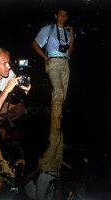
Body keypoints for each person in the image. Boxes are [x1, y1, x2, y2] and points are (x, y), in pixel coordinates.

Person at [32, 7, 74, 136]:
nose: (63, 17)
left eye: (65, 15)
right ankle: (55, 125)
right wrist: (45, 57)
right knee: (59, 92)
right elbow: (35, 44)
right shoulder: (48, 29)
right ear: (56, 16)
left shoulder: (67, 33)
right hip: (53, 62)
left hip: (65, 63)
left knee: (62, 95)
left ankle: (56, 124)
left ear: (67, 17)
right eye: (60, 15)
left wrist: (72, 36)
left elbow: (69, 52)